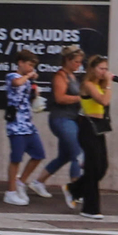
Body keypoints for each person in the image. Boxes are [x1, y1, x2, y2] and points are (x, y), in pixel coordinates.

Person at [36, 46, 86, 205]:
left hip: (70, 119)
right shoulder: (60, 76)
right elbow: (60, 98)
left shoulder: (72, 76)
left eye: (80, 62)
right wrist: (80, 98)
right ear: (67, 60)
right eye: (76, 62)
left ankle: (38, 182)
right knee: (78, 154)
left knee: (65, 155)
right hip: (61, 119)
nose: (79, 64)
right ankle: (74, 190)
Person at [71, 55, 113, 217]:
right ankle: (90, 208)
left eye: (106, 69)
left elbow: (106, 102)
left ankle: (74, 189)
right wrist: (109, 84)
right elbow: (103, 101)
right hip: (88, 127)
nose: (104, 72)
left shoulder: (101, 85)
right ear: (92, 69)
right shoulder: (88, 85)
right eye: (101, 68)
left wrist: (107, 84)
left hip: (99, 128)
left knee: (102, 167)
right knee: (92, 167)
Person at [2, 56, 46, 206]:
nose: (31, 68)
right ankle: (10, 191)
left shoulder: (28, 81)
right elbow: (17, 82)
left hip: (28, 124)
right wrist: (28, 76)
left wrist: (36, 93)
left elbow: (30, 97)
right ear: (20, 62)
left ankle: (21, 182)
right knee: (16, 159)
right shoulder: (12, 76)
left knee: (39, 154)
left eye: (33, 65)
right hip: (15, 126)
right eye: (29, 64)